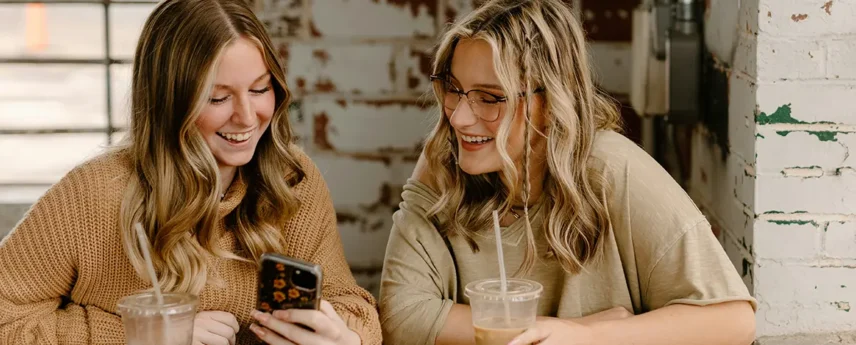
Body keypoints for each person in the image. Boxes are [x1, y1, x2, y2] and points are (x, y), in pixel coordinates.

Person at [0, 0, 381, 344]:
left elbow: (351, 303)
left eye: (260, 89)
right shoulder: (92, 195)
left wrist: (347, 338)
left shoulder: (292, 178)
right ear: (169, 103)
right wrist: (143, 334)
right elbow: (6, 322)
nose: (247, 118)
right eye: (217, 98)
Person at [378, 1, 757, 344]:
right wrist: (557, 331)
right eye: (453, 88)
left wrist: (589, 337)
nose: (459, 117)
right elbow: (401, 315)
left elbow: (734, 321)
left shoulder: (611, 168)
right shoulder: (443, 160)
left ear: (552, 103)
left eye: (490, 98)